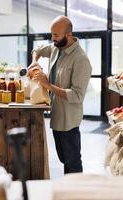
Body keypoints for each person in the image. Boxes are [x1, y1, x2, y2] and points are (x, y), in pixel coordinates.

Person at [28, 15, 92, 174]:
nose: (52, 38)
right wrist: (35, 61)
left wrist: (47, 85)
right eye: (52, 34)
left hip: (69, 121)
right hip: (56, 116)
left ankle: (75, 195)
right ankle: (68, 190)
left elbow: (77, 96)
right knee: (64, 159)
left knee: (73, 162)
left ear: (68, 35)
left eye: (56, 35)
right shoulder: (56, 48)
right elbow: (37, 49)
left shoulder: (81, 60)